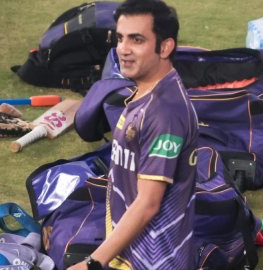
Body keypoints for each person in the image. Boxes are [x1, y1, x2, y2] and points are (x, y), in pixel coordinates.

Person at [68, 0, 199, 269]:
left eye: (137, 39)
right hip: (128, 253)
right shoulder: (144, 92)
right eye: (120, 38)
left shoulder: (165, 113)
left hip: (153, 261)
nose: (123, 50)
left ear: (165, 46)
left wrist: (93, 263)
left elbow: (148, 203)